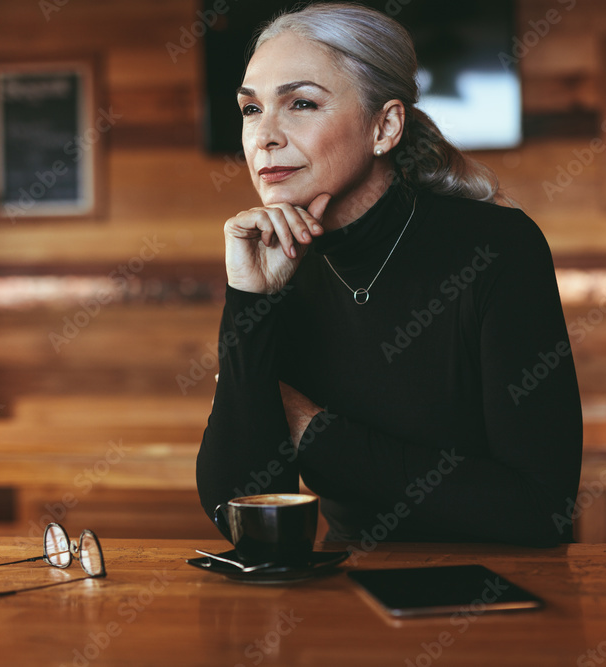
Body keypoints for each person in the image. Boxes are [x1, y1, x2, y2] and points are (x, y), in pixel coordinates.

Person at [196, 2, 582, 547]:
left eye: (301, 103)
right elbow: (244, 517)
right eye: (251, 110)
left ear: (385, 125)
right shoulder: (279, 265)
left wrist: (312, 434)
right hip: (347, 596)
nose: (265, 136)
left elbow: (539, 510)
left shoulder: (498, 247)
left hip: (496, 598)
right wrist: (249, 300)